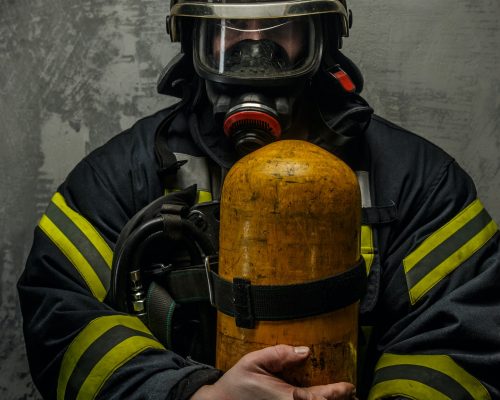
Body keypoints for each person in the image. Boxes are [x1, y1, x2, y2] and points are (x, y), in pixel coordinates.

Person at [17, 0, 500, 399]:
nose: (253, 51)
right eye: (227, 27)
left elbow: (465, 337)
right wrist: (192, 395)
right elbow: (60, 316)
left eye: (279, 26)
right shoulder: (120, 178)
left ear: (323, 40)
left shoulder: (418, 182)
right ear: (193, 42)